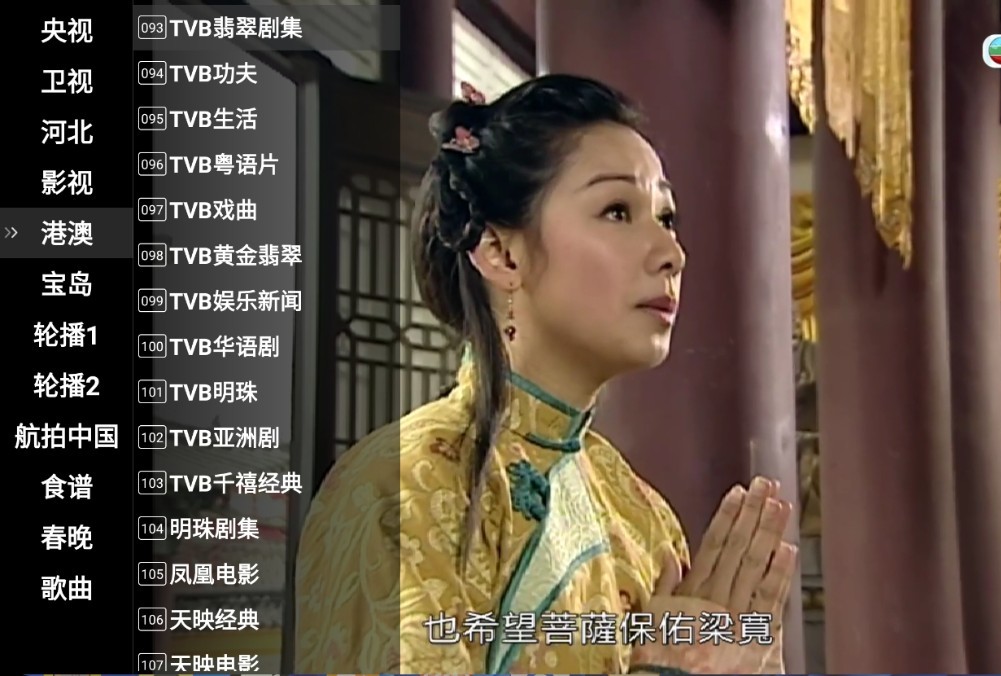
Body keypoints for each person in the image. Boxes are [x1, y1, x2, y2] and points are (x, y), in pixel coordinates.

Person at [294, 76, 797, 674]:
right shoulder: (403, 487)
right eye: (617, 211)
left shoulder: (643, 516)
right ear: (502, 254)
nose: (672, 253)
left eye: (666, 217)